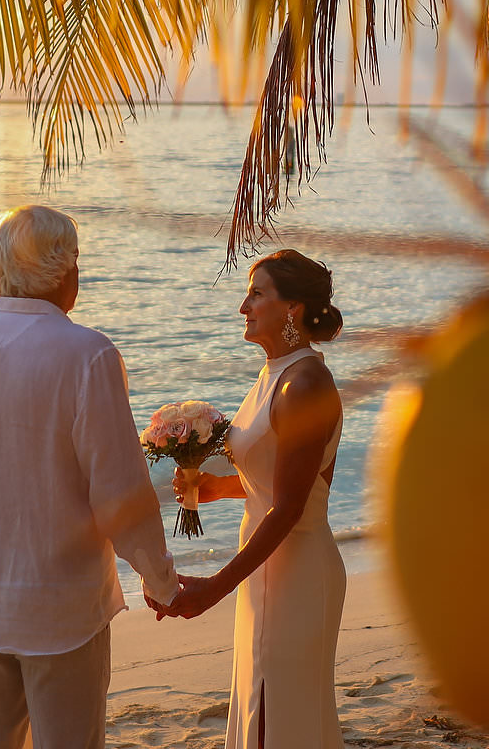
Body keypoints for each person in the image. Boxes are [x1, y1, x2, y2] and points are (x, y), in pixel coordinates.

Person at [0, 204, 183, 749]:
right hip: (58, 606)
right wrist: (161, 582)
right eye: (77, 262)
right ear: (63, 272)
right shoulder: (86, 355)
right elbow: (119, 496)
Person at [162, 248, 347, 749]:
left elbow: (289, 508)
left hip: (298, 571)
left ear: (291, 309)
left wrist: (212, 588)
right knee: (262, 706)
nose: (244, 306)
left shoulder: (305, 383)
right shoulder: (275, 373)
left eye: (256, 294)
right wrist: (216, 485)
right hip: (268, 570)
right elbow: (277, 480)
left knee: (282, 716)